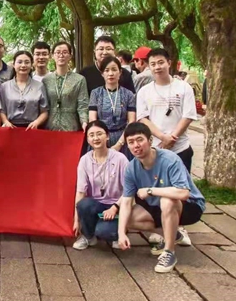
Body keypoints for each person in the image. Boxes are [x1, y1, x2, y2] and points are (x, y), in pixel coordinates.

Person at [117, 123, 205, 273]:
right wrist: (121, 233)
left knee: (167, 200)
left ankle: (169, 252)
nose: (136, 145)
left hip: (190, 205)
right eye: (131, 142)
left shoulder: (170, 159)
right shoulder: (131, 168)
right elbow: (125, 202)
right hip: (158, 207)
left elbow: (183, 193)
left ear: (150, 140)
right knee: (128, 218)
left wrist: (150, 191)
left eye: (140, 140)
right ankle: (174, 234)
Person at [136, 48, 198, 173]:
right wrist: (163, 137)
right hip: (155, 148)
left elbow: (188, 116)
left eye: (161, 62)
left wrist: (172, 138)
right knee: (157, 183)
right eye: (153, 64)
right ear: (149, 66)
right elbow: (143, 118)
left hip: (181, 148)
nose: (157, 67)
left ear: (169, 63)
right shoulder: (144, 91)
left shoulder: (184, 87)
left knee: (181, 183)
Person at [73, 120, 129, 251]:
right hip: (96, 204)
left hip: (116, 205)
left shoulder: (120, 159)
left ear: (107, 136)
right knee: (83, 204)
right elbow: (80, 192)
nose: (96, 138)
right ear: (87, 139)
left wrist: (115, 207)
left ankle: (116, 232)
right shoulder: (84, 160)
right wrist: (76, 221)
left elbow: (129, 190)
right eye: (91, 135)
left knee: (105, 232)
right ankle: (88, 236)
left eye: (99, 134)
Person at [89, 56, 136, 159]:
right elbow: (92, 120)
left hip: (123, 138)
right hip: (100, 138)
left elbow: (131, 121)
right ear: (102, 74)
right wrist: (101, 139)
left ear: (120, 72)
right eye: (107, 70)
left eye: (114, 70)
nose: (111, 73)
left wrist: (119, 144)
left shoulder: (128, 94)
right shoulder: (95, 93)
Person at [43, 41, 89, 131]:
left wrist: (84, 122)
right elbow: (43, 106)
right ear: (52, 56)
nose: (61, 55)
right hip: (50, 126)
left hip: (71, 126)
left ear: (70, 56)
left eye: (65, 52)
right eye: (58, 52)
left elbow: (83, 104)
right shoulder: (46, 80)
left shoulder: (79, 79)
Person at [0, 51, 49, 129]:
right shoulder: (5, 86)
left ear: (31, 65)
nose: (23, 65)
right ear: (14, 65)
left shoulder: (39, 86)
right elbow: (1, 110)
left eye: (27, 62)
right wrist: (5, 121)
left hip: (32, 128)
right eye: (19, 62)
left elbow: (44, 111)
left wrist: (36, 122)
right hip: (10, 128)